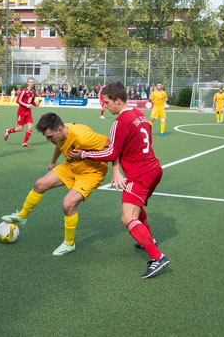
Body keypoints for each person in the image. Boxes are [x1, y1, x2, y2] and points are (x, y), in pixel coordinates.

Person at [69, 81, 169, 278]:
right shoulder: (139, 115)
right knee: (137, 209)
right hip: (154, 169)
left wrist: (84, 154)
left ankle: (158, 257)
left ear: (117, 101)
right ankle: (149, 240)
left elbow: (111, 152)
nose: (104, 106)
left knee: (127, 217)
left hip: (140, 175)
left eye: (106, 102)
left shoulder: (120, 121)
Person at [2, 113, 109, 255]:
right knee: (40, 184)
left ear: (59, 129)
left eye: (49, 136)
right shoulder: (61, 134)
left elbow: (112, 145)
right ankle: (22, 216)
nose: (48, 140)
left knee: (68, 204)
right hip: (72, 165)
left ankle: (69, 244)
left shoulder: (83, 136)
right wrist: (53, 161)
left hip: (91, 172)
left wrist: (115, 170)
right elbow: (60, 144)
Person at [4, 77, 40, 148]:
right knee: (20, 128)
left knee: (30, 126)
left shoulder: (33, 92)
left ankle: (24, 143)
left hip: (28, 112)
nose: (31, 83)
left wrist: (36, 104)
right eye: (30, 82)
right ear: (28, 83)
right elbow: (18, 101)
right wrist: (26, 105)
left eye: (32, 82)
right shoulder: (24, 91)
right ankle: (8, 131)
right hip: (21, 112)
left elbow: (32, 102)